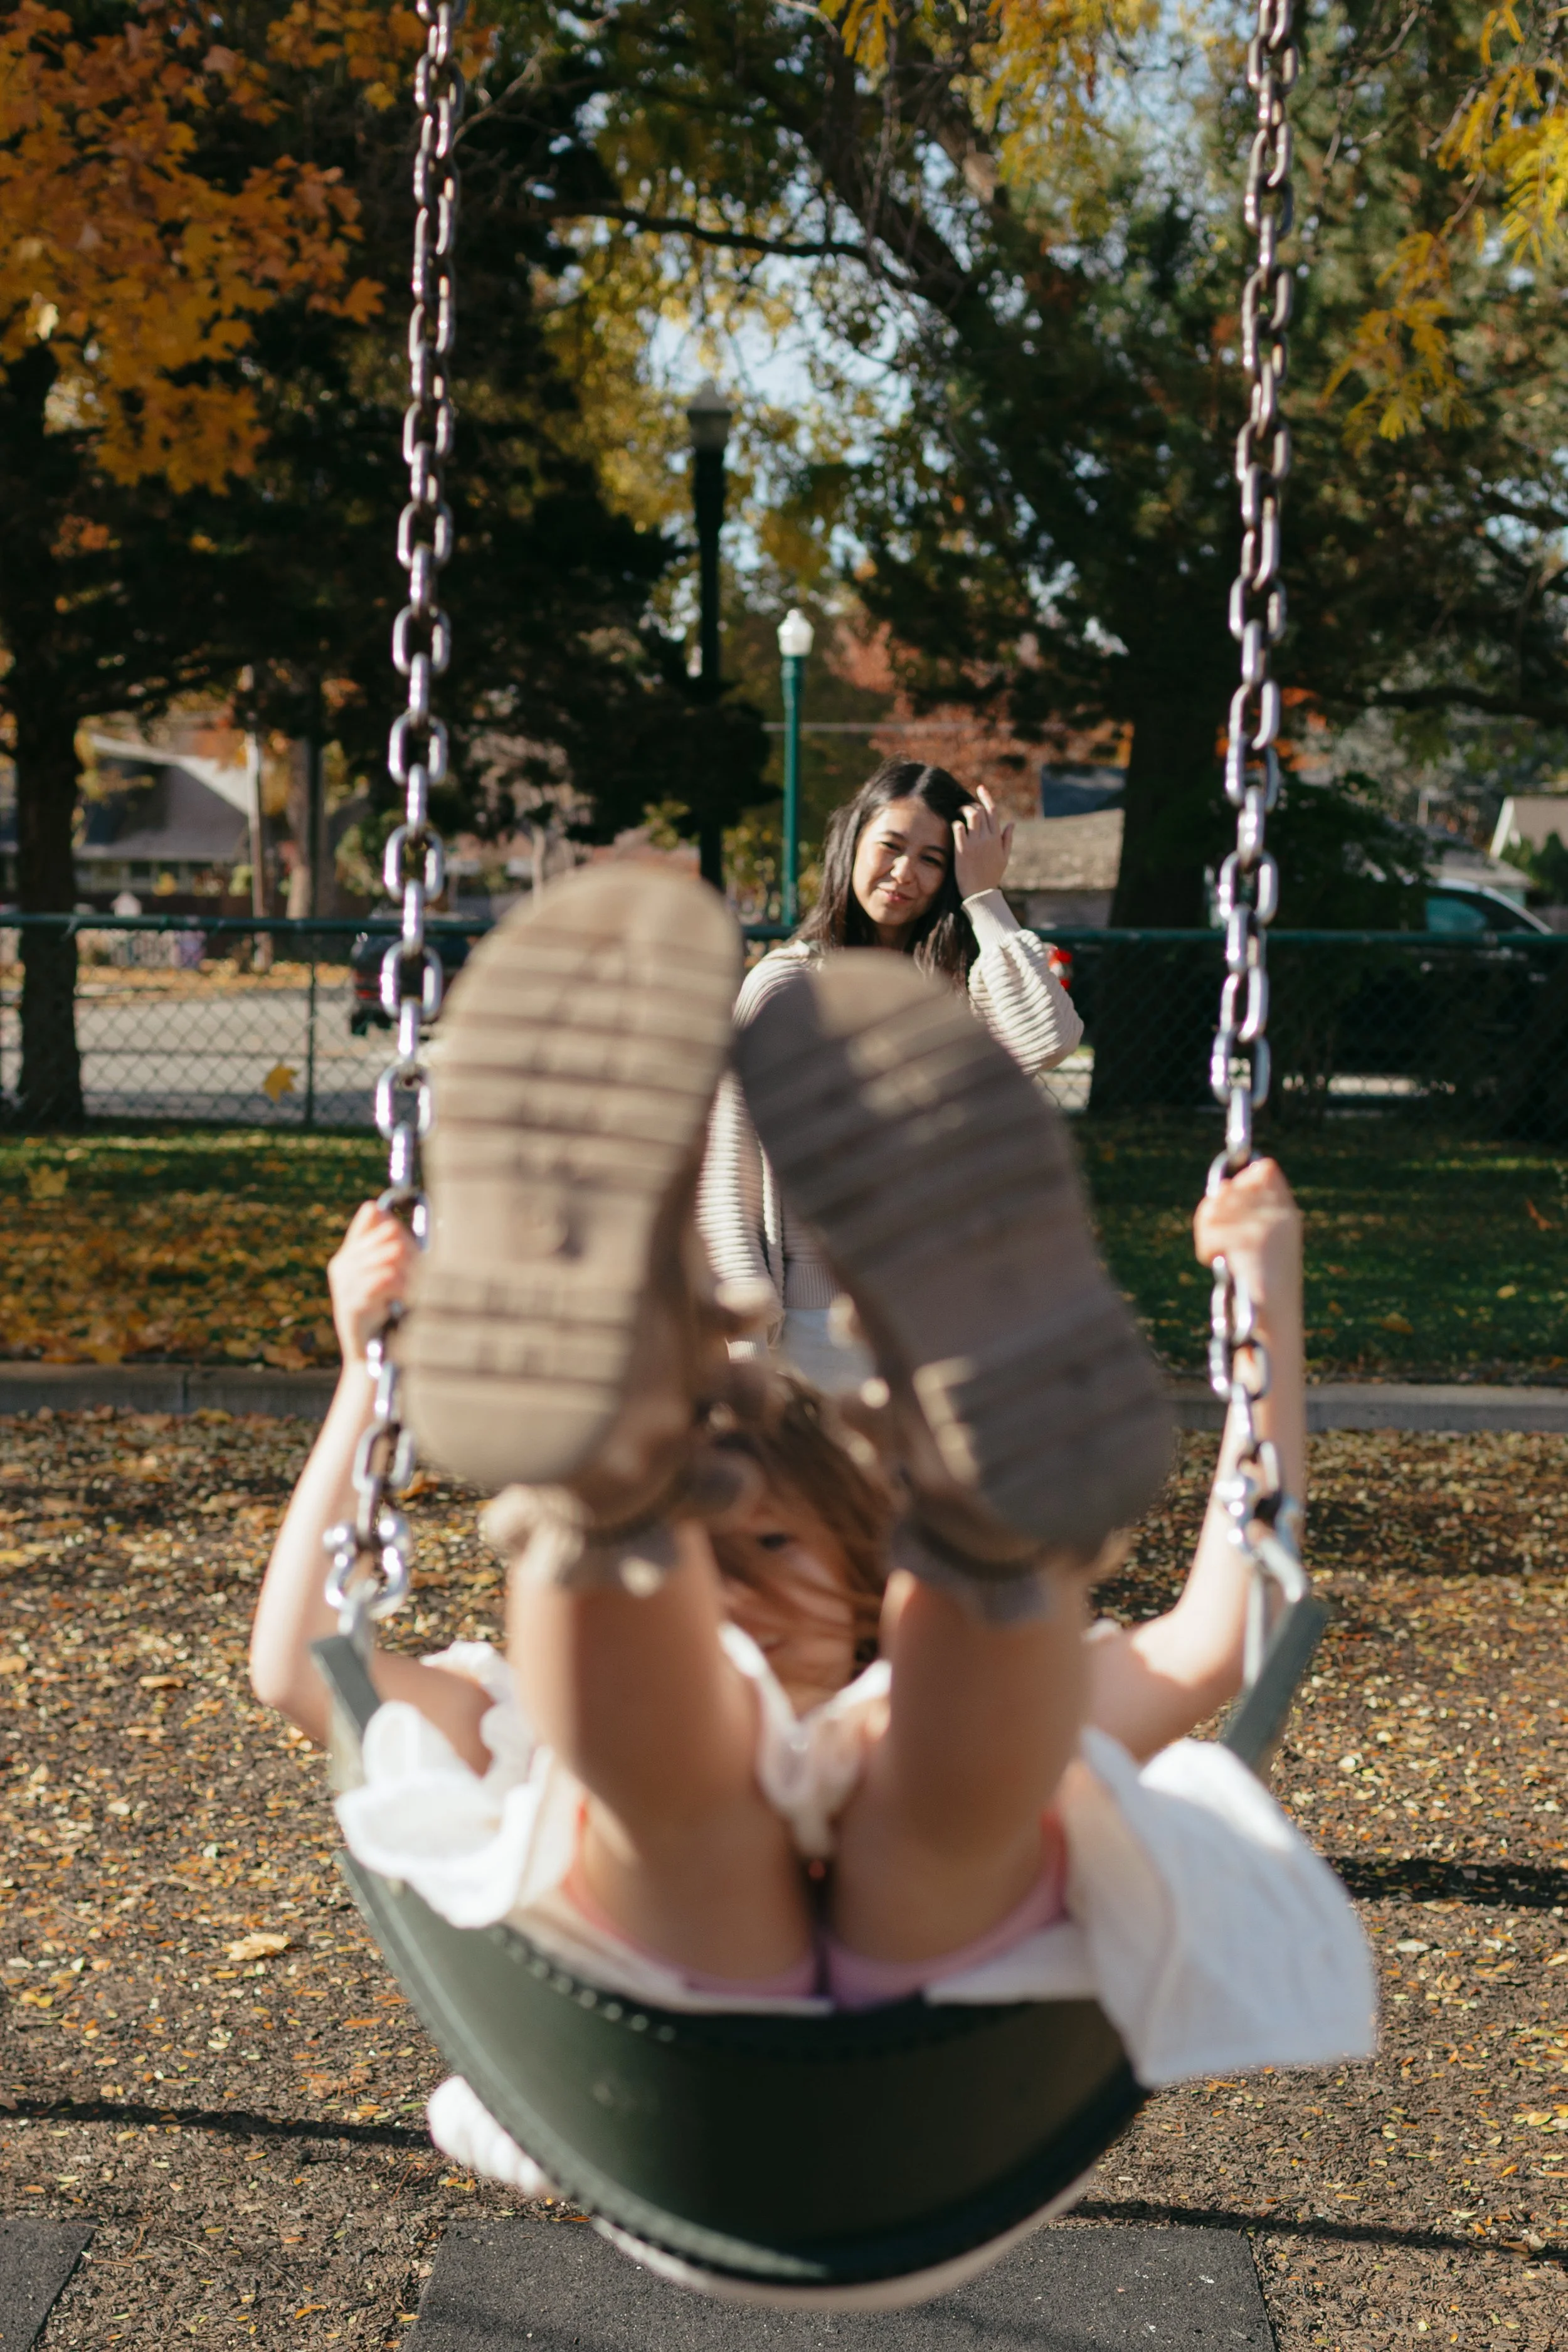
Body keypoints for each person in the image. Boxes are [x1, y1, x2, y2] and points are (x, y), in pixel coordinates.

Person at [250, 866, 1372, 2218]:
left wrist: (1269, 1311)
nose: (726, 1580)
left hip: (932, 2082)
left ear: (856, 1574)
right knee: (677, 1792)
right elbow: (307, 1672)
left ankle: (957, 1522)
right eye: (700, 1542)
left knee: (919, 1778)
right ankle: (620, 1485)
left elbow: (1215, 1641)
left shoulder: (898, 1707)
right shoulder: (553, 1733)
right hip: (664, 2074)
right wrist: (367, 1377)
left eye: (762, 1542)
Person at [697, 760, 1084, 1391]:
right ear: (853, 843)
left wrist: (986, 899)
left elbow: (1048, 1036)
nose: (905, 873)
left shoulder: (956, 992)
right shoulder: (790, 983)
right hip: (816, 1329)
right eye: (891, 846)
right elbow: (730, 1165)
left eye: (932, 859)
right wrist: (744, 1334)